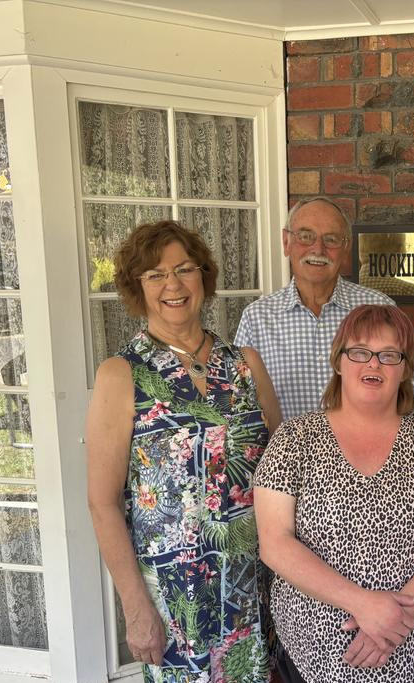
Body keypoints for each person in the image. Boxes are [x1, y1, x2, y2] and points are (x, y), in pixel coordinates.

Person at [86, 220, 282, 683]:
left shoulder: (245, 365)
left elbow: (282, 473)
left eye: (184, 269)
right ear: (138, 287)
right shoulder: (122, 374)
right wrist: (136, 608)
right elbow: (102, 502)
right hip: (175, 600)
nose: (172, 284)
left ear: (203, 277)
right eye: (155, 275)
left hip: (253, 587)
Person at [253, 304, 414, 682]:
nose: (374, 364)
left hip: (405, 643)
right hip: (312, 650)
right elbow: (274, 544)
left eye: (389, 355)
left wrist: (396, 616)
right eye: (359, 352)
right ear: (339, 362)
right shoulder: (294, 440)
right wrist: (363, 605)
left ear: (405, 369)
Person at [235, 197, 414, 421]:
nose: (318, 249)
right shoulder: (256, 318)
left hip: (368, 454)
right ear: (286, 241)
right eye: (305, 236)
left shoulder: (378, 307)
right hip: (287, 455)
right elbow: (239, 410)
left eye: (331, 239)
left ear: (346, 247)